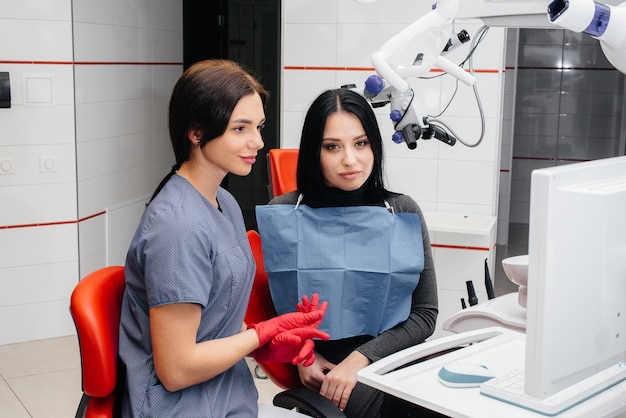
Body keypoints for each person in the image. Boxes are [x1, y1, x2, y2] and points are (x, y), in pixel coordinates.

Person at [117, 59, 329, 418]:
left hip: (228, 395)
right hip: (182, 407)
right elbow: (177, 369)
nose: (258, 142)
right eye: (240, 128)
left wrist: (268, 344)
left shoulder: (224, 203)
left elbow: (214, 319)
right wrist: (260, 335)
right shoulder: (177, 227)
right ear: (196, 132)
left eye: (259, 126)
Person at [256, 88, 438, 417]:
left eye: (361, 143)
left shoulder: (402, 210)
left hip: (393, 358)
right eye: (332, 147)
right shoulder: (283, 214)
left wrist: (361, 359)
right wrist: (304, 355)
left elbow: (425, 314)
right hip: (331, 374)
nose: (350, 160)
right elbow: (271, 312)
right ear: (314, 151)